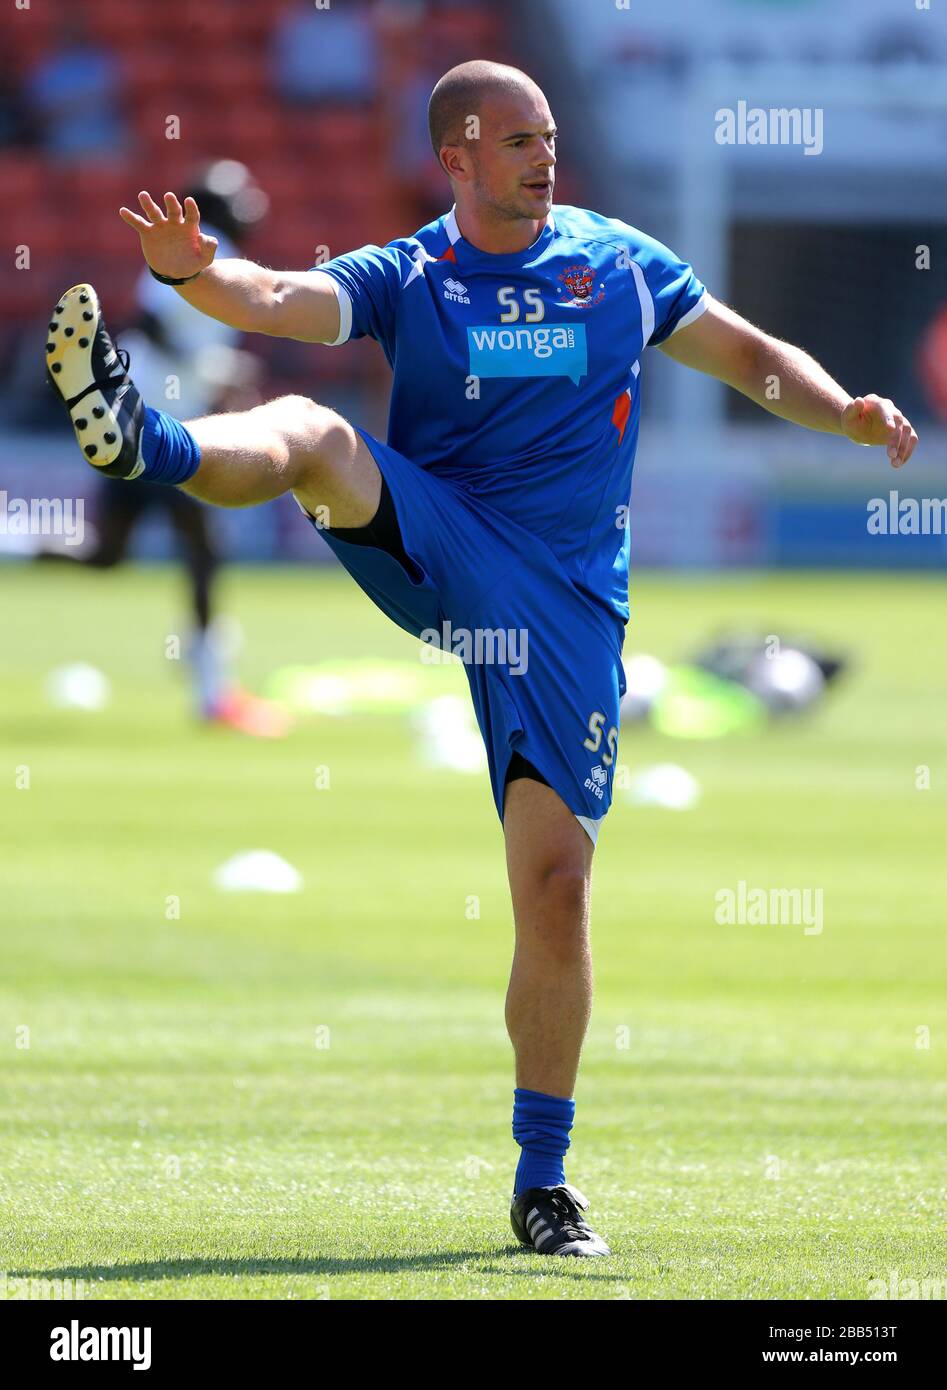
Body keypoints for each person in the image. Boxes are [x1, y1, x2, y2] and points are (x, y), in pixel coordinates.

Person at [44, 61, 917, 1257]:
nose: (542, 157)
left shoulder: (617, 264)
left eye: (548, 136)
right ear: (455, 156)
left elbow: (746, 353)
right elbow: (282, 299)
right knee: (313, 432)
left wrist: (847, 412)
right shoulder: (410, 273)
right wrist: (197, 274)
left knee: (555, 890)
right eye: (515, 142)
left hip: (564, 606)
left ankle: (543, 1182)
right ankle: (148, 441)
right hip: (445, 540)